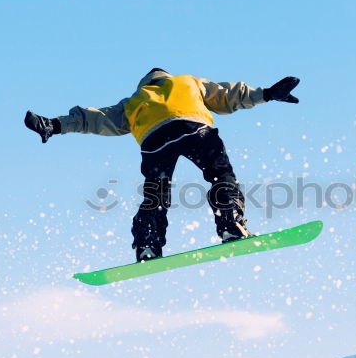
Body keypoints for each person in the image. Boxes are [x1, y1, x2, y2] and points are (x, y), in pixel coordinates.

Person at [24, 68, 300, 262]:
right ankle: (231, 224)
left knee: (155, 196)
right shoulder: (187, 82)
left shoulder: (134, 101)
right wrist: (266, 93)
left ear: (144, 83)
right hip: (195, 129)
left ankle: (147, 245)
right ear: (166, 77)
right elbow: (228, 95)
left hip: (155, 141)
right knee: (220, 175)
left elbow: (94, 118)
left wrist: (55, 125)